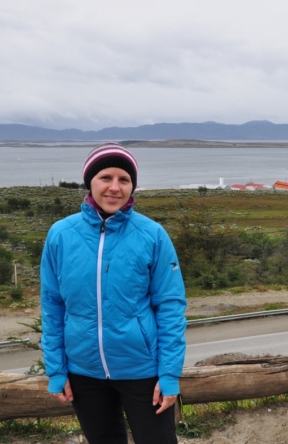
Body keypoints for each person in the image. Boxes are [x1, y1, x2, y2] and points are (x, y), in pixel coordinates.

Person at [40, 143, 187, 444]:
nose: (114, 188)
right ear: (90, 182)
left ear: (133, 186)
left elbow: (170, 306)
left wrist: (169, 374)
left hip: (142, 369)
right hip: (84, 371)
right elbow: (52, 305)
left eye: (124, 179)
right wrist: (56, 369)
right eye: (105, 177)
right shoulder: (61, 235)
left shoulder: (152, 235)